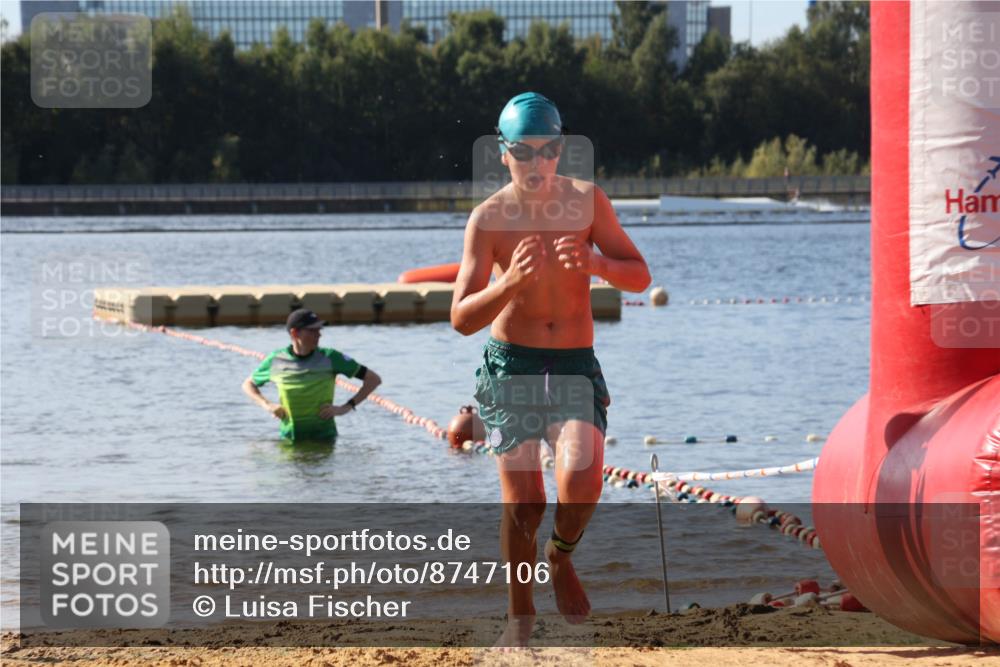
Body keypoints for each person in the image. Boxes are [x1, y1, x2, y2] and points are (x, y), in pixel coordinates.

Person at [451, 92, 651, 646]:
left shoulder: (589, 203)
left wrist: (597, 263)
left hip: (572, 365)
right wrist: (509, 283)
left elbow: (640, 275)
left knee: (582, 484)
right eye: (523, 151)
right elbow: (461, 318)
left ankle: (559, 558)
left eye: (548, 151)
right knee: (524, 505)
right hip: (510, 367)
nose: (536, 163)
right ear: (503, 152)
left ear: (561, 150)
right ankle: (520, 621)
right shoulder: (488, 219)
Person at [242, 308, 381, 442]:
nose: (319, 334)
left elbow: (373, 380)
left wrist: (346, 407)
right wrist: (267, 405)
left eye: (319, 330)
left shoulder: (331, 357)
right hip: (290, 440)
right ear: (295, 333)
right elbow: (248, 384)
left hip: (325, 439)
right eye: (312, 330)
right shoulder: (276, 360)